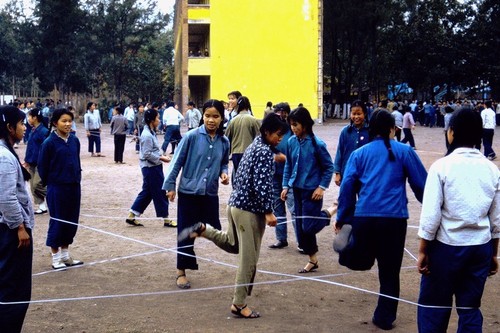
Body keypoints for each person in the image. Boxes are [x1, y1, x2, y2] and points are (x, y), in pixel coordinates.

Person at [178, 113, 288, 318]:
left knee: (233, 244)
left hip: (235, 205)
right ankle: (239, 303)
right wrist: (269, 212)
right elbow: (262, 186)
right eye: (278, 134)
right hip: (249, 211)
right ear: (266, 132)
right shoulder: (264, 152)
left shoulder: (256, 145)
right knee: (249, 258)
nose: (280, 138)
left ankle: (204, 230)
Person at [335, 109, 427, 330]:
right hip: (394, 220)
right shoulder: (404, 151)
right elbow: (422, 186)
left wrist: (343, 218)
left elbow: (347, 187)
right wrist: (434, 210)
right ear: (392, 129)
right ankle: (385, 317)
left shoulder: (359, 154)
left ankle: (355, 255)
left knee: (360, 257)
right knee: (390, 270)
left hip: (365, 217)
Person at [417, 107, 499, 333]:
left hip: (446, 248)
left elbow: (431, 216)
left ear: (451, 133)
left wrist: (423, 250)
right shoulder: (491, 169)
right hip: (479, 249)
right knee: (471, 308)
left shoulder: (441, 167)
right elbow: (496, 220)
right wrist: (493, 253)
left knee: (433, 307)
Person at [163, 99, 230, 289]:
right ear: (203, 116)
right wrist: (170, 186)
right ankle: (181, 271)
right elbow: (176, 162)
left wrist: (224, 173)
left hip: (210, 193)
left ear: (222, 118)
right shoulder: (191, 136)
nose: (211, 120)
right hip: (189, 193)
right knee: (185, 232)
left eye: (215, 116)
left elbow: (224, 162)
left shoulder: (224, 141)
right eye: (208, 116)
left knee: (213, 229)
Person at [281, 106, 335, 273]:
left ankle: (330, 211)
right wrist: (285, 186)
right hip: (296, 190)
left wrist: (321, 187)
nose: (293, 128)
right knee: (301, 229)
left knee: (309, 226)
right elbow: (288, 165)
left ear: (305, 124)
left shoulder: (317, 144)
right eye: (291, 124)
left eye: (296, 124)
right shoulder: (291, 142)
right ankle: (313, 260)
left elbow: (328, 167)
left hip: (312, 192)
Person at [0, 105, 35, 333]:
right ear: (9, 127)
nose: (24, 128)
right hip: (11, 233)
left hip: (10, 229)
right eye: (21, 124)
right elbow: (6, 197)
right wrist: (19, 227)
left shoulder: (6, 152)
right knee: (14, 289)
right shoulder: (4, 156)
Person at [38, 108, 84, 270]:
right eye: (64, 121)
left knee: (71, 220)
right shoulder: (49, 143)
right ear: (55, 123)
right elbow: (42, 167)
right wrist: (52, 182)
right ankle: (56, 257)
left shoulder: (74, 140)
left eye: (70, 121)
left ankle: (66, 254)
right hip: (57, 188)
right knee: (58, 220)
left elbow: (76, 159)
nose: (68, 124)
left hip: (74, 186)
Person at [127, 108, 176, 227]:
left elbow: (152, 151)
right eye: (157, 118)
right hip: (150, 168)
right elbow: (147, 154)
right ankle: (166, 219)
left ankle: (132, 215)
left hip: (153, 167)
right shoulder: (147, 135)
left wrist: (161, 155)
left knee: (147, 192)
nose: (159, 120)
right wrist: (161, 158)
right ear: (151, 120)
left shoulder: (151, 132)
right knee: (160, 191)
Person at [268, 102, 297, 250]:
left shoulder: (292, 131)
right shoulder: (272, 130)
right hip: (274, 173)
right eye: (276, 112)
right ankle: (281, 238)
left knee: (293, 207)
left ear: (286, 113)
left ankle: (301, 241)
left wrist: (286, 158)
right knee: (277, 207)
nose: (278, 115)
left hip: (290, 174)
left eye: (281, 112)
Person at [333, 100, 370, 189]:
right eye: (354, 114)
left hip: (366, 173)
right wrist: (337, 173)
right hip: (347, 172)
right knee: (347, 201)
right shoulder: (345, 131)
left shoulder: (370, 131)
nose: (356, 117)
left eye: (359, 114)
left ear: (364, 114)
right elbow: (339, 152)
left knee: (364, 201)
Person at [225, 96, 260, 180]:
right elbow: (259, 138)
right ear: (248, 106)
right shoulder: (253, 120)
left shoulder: (233, 121)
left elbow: (226, 138)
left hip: (236, 153)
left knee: (238, 176)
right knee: (248, 177)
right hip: (249, 153)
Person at [23, 108, 49, 214]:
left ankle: (57, 195)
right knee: (33, 187)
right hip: (32, 162)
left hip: (41, 163)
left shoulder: (44, 131)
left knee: (37, 184)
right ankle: (42, 206)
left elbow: (46, 149)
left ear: (35, 118)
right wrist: (27, 160)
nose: (28, 119)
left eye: (29, 116)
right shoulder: (33, 130)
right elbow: (31, 147)